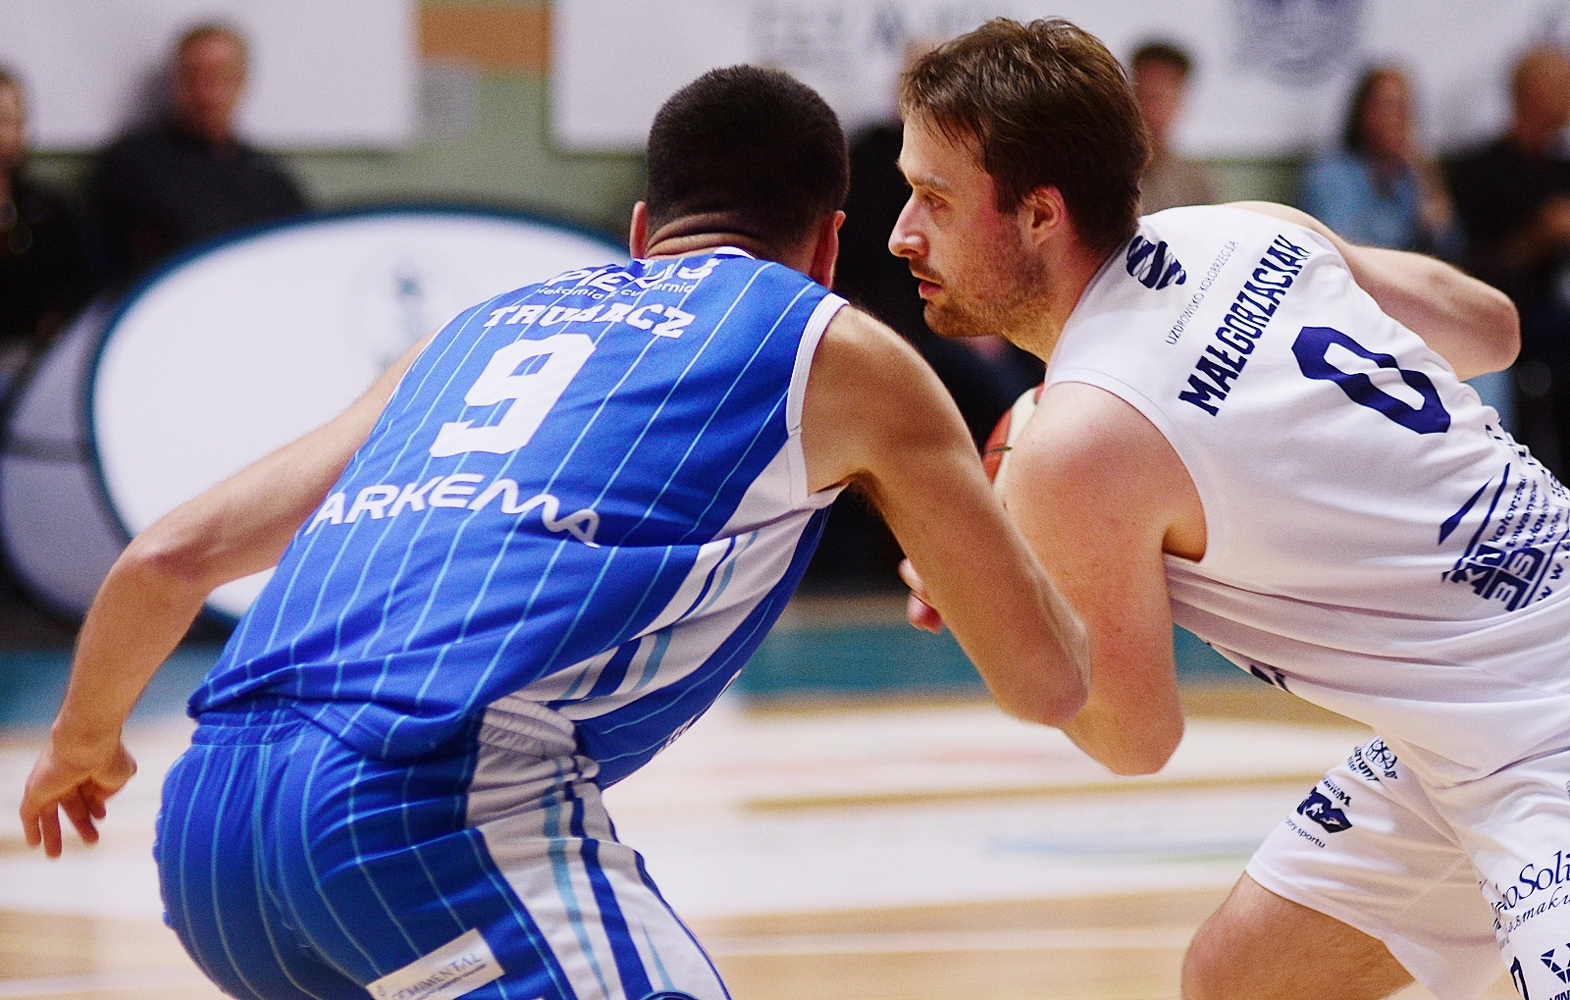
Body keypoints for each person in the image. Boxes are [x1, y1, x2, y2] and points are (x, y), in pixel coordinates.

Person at [19, 66, 1088, 1000]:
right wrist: (1076, 531)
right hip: (421, 807)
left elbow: (168, 557)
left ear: (641, 231)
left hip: (212, 835)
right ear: (828, 246)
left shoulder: (469, 335)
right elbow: (1047, 682)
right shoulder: (834, 345)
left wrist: (80, 743)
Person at [888, 19, 1570, 999]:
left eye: (934, 199)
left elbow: (1134, 739)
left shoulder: (1080, 439)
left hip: (1539, 735)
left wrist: (981, 587)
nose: (901, 232)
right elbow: (1492, 330)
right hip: (1467, 719)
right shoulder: (1244, 230)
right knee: (1239, 979)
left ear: (1038, 214)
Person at [92, 23, 307, 288]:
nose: (207, 91)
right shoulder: (133, 165)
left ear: (242, 82)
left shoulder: (270, 179)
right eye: (193, 75)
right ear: (174, 83)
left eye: (221, 75)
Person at [1449, 46, 1570, 478]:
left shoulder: (1562, 171)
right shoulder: (1478, 171)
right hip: (1499, 313)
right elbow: (1469, 267)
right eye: (1563, 85)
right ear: (1533, 93)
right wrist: (1541, 236)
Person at [1301, 66, 1460, 256]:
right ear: (1362, 113)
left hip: (1404, 271)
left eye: (1404, 109)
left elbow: (1451, 249)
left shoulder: (1411, 177)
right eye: (1388, 107)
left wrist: (1431, 182)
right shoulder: (1330, 175)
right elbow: (1347, 250)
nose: (1398, 120)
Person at [0, 69, 94, 374]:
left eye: (14, 121)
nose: (6, 133)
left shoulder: (47, 211)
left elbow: (82, 287)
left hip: (38, 363)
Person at [1130, 41, 1215, 214]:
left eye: (1163, 97)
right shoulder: (1099, 170)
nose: (1153, 110)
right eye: (1146, 95)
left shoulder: (1194, 180)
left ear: (1180, 101)